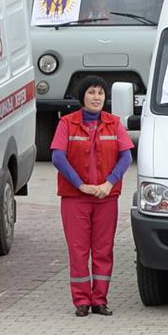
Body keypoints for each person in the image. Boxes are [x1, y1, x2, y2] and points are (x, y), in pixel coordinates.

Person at [50, 76, 133, 316]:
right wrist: (80, 185)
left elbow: (126, 156)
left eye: (101, 94)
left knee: (103, 249)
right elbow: (57, 157)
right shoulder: (67, 123)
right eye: (92, 92)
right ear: (82, 96)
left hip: (106, 197)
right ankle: (82, 301)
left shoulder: (114, 123)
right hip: (75, 198)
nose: (97, 97)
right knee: (78, 250)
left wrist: (108, 184)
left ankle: (100, 300)